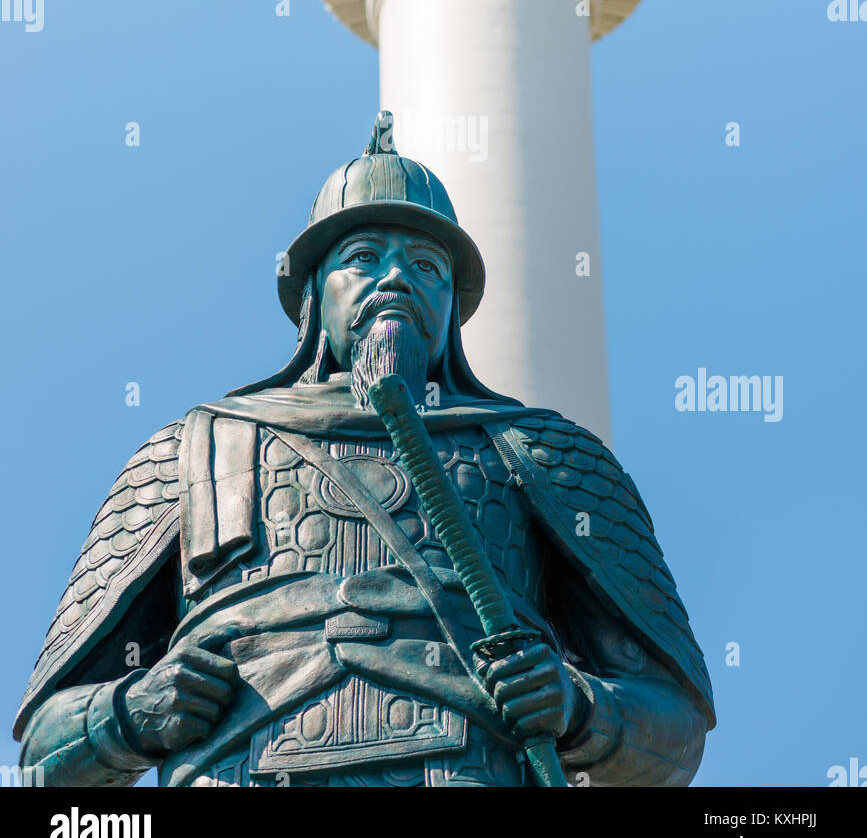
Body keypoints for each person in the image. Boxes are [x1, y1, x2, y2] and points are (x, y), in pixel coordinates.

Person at [15, 112, 714, 787]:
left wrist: (578, 707)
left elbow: (673, 731)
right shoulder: (194, 449)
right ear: (313, 296)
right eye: (361, 257)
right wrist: (129, 716)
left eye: (426, 265)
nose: (396, 278)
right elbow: (44, 758)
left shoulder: (540, 451)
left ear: (450, 308)